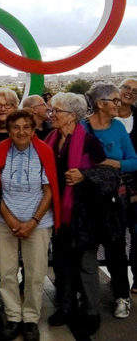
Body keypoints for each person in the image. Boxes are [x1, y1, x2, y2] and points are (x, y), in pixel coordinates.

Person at [0, 110, 60, 341]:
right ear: (8, 130)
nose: (21, 132)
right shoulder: (0, 150)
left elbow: (49, 191)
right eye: (15, 127)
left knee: (36, 273)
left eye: (26, 127)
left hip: (37, 223)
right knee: (6, 271)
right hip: (5, 221)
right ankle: (14, 316)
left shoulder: (44, 151)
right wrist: (11, 220)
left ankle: (30, 319)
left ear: (34, 128)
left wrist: (33, 222)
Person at [44, 92, 112, 336]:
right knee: (62, 265)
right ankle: (67, 306)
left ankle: (91, 311)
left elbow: (108, 175)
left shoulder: (90, 142)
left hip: (84, 215)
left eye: (56, 111)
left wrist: (85, 176)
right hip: (59, 213)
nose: (51, 115)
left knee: (86, 265)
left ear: (72, 116)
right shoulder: (51, 138)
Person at [83, 82, 137, 319]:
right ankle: (87, 297)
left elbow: (134, 160)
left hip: (113, 199)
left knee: (116, 251)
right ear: (99, 103)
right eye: (114, 100)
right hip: (88, 199)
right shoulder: (82, 128)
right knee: (88, 249)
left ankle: (121, 296)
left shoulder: (118, 129)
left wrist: (116, 164)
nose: (119, 104)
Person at [116, 78, 137, 294]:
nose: (129, 93)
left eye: (134, 91)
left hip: (136, 188)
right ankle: (119, 283)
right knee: (117, 237)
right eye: (126, 88)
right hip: (112, 190)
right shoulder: (104, 120)